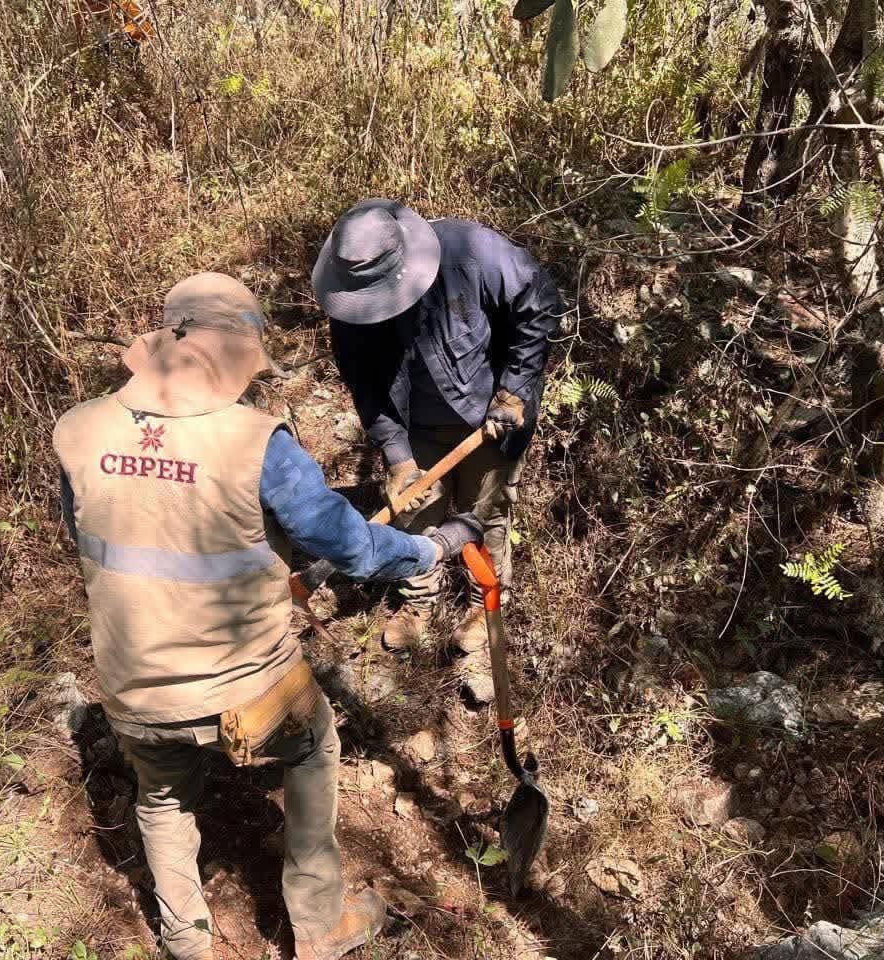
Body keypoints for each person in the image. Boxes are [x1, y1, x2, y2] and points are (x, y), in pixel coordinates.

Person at [52, 272, 483, 960]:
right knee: (314, 746)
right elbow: (350, 546)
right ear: (234, 354)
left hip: (133, 690)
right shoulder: (257, 442)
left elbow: (99, 537)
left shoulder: (78, 429)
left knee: (161, 799)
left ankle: (185, 940)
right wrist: (429, 549)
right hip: (246, 690)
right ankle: (319, 925)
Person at [312, 199, 563, 705]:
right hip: (416, 424)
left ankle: (482, 601)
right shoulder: (349, 305)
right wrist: (398, 455)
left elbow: (539, 301)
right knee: (414, 512)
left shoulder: (471, 252)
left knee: (484, 513)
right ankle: (419, 600)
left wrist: (515, 389)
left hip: (492, 418)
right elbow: (366, 386)